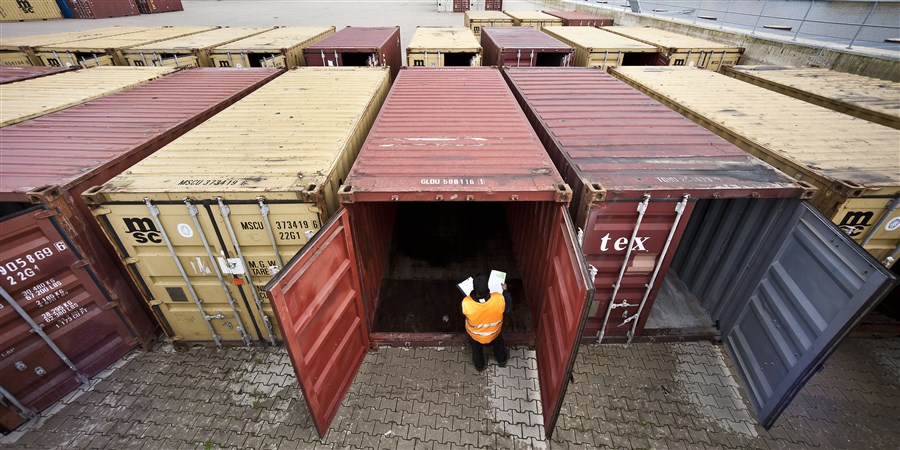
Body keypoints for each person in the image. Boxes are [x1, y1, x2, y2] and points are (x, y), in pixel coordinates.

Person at [461, 273, 512, 372]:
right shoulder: (499, 298)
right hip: (494, 333)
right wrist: (505, 291)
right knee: (499, 345)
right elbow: (508, 309)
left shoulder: (466, 303)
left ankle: (479, 367)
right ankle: (502, 361)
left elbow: (463, 313)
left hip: (475, 336)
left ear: (474, 289)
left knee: (477, 350)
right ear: (487, 287)